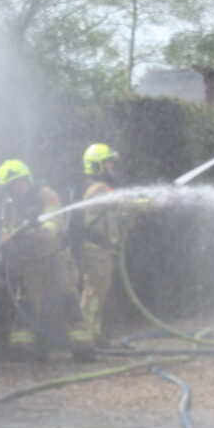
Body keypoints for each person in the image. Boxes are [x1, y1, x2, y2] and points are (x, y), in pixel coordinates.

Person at [0, 159, 72, 359]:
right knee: (28, 302)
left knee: (67, 297)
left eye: (20, 182)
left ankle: (83, 347)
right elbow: (5, 228)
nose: (17, 187)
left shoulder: (46, 195)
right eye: (12, 185)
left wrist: (43, 231)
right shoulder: (9, 204)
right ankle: (23, 348)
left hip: (55, 256)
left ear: (28, 179)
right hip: (30, 260)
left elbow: (55, 220)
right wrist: (5, 241)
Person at [69, 143, 130, 356]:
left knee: (98, 292)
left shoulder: (94, 187)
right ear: (97, 166)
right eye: (108, 162)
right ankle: (82, 341)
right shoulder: (98, 189)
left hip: (99, 250)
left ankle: (92, 336)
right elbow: (126, 203)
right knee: (93, 292)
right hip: (95, 250)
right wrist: (152, 201)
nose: (112, 166)